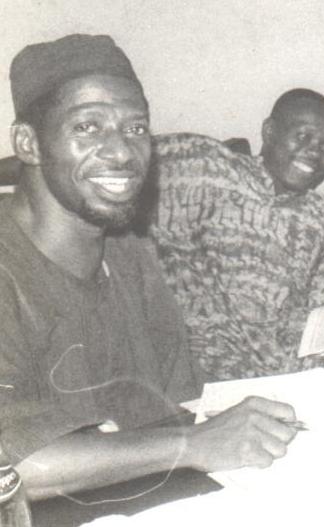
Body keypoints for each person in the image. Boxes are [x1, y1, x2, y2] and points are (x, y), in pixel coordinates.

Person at [0, 34, 298, 499]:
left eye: (136, 128)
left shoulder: (127, 249)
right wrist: (193, 444)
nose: (122, 152)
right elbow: (7, 464)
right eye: (88, 127)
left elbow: (179, 402)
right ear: (29, 143)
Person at [145, 89, 324, 381]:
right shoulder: (207, 168)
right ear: (269, 131)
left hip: (282, 376)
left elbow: (320, 319)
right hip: (198, 372)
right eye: (303, 136)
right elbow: (129, 157)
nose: (315, 153)